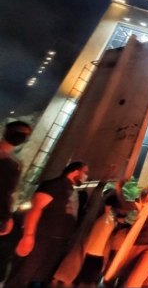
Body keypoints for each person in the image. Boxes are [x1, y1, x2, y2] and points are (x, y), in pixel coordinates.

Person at [5, 161, 89, 288]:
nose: (86, 176)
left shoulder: (71, 190)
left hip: (56, 243)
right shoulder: (54, 185)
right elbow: (35, 209)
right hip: (41, 239)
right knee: (23, 276)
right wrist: (28, 235)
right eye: (85, 172)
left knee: (38, 278)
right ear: (75, 171)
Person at [0, 120, 32, 282]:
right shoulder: (13, 164)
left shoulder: (15, 163)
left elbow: (9, 193)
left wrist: (7, 217)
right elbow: (9, 193)